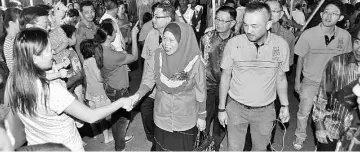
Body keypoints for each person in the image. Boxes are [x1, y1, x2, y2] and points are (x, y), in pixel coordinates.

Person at [5, 28, 133, 152]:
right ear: (34, 58)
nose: (53, 53)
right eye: (49, 50)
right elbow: (91, 116)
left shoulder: (14, 81)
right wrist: (121, 102)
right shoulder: (50, 90)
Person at [218, 2, 290, 151]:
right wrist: (221, 108)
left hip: (265, 111)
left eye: (254, 26)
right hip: (236, 108)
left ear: (268, 24)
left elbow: (281, 77)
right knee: (234, 148)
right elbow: (225, 77)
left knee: (260, 148)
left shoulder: (281, 45)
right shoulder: (233, 44)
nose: (248, 30)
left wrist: (284, 105)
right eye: (245, 25)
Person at [129, 22, 206, 151]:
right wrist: (137, 95)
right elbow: (148, 81)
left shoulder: (195, 61)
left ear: (183, 41)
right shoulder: (157, 55)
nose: (166, 44)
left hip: (185, 118)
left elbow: (201, 91)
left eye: (171, 40)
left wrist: (202, 116)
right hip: (161, 116)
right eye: (164, 38)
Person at [293, 0, 353, 150]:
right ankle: (300, 136)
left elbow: (347, 60)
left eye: (334, 14)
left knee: (329, 116)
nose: (328, 16)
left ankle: (321, 143)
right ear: (320, 14)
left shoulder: (345, 36)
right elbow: (300, 57)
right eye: (326, 12)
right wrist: (297, 81)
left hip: (332, 84)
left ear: (340, 18)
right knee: (304, 112)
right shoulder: (308, 34)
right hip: (310, 81)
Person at [312, 27, 360, 151]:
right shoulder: (336, 63)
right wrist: (319, 125)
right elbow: (322, 95)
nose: (359, 49)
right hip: (332, 127)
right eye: (358, 42)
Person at [95, 19, 139, 151]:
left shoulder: (100, 47)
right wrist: (134, 36)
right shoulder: (112, 55)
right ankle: (120, 147)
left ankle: (118, 138)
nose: (116, 32)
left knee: (116, 117)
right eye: (114, 31)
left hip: (110, 87)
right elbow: (135, 56)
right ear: (108, 36)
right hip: (119, 90)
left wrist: (121, 54)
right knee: (123, 119)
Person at [138, 2, 176, 150]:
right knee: (146, 114)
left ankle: (159, 143)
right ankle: (154, 139)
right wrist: (142, 88)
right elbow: (146, 63)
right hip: (149, 88)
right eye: (153, 16)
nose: (153, 20)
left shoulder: (180, 38)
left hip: (167, 92)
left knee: (165, 123)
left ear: (168, 19)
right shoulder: (151, 35)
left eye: (157, 17)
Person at [199, 6, 236, 151]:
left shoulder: (238, 41)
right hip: (208, 85)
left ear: (232, 23)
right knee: (204, 118)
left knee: (222, 120)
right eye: (217, 19)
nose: (218, 23)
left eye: (223, 20)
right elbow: (200, 63)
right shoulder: (206, 38)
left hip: (229, 88)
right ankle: (203, 144)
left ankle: (216, 144)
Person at [81, 39, 113, 144]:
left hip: (90, 93)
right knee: (102, 117)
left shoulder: (85, 61)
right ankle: (107, 138)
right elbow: (99, 78)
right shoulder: (93, 61)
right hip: (99, 92)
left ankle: (94, 131)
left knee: (92, 114)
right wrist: (106, 78)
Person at [266, 0, 296, 67]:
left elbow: (289, 62)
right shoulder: (253, 32)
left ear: (281, 14)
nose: (270, 14)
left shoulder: (288, 37)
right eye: (267, 10)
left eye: (274, 11)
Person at [2, 8, 21, 73]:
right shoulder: (10, 43)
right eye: (20, 21)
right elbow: (13, 69)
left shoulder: (11, 39)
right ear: (11, 23)